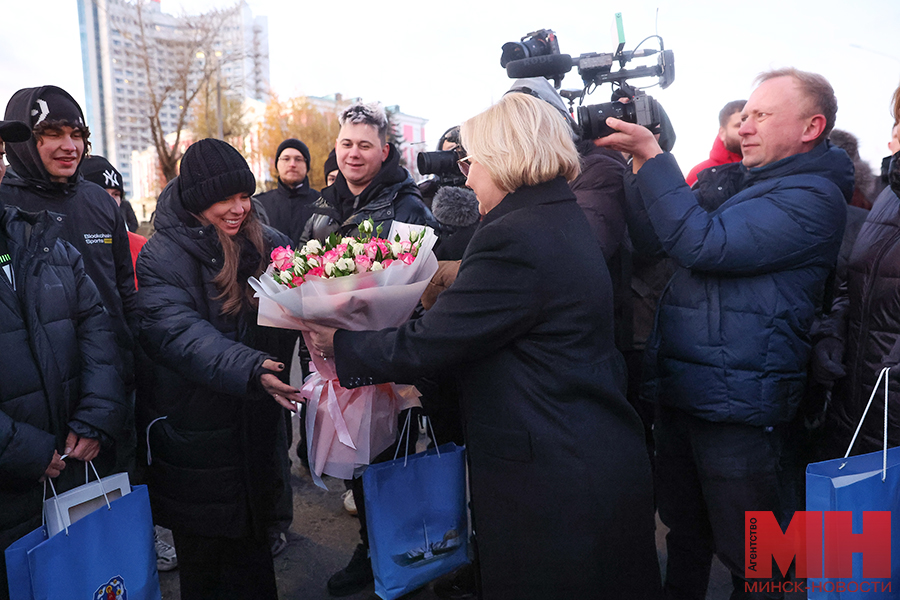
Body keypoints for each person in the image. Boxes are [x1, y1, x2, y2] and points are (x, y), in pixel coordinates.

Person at [303, 92, 661, 600]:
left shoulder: (515, 234)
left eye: (472, 161)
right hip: (585, 451)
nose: (466, 177)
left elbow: (436, 340)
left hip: (553, 475)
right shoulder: (557, 213)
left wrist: (341, 345)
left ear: (506, 157)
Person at [597, 67, 851, 599]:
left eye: (762, 114)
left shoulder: (813, 196)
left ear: (812, 127)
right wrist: (636, 162)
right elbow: (659, 240)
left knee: (764, 563)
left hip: (742, 409)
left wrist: (654, 156)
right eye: (744, 114)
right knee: (687, 537)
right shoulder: (752, 183)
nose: (745, 124)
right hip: (693, 394)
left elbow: (702, 244)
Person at [134, 138, 300, 599]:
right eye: (224, 199)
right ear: (196, 200)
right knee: (207, 567)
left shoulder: (269, 243)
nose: (238, 208)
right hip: (197, 433)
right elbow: (179, 334)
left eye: (244, 196)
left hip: (255, 426)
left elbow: (307, 299)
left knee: (254, 559)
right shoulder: (163, 255)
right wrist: (250, 368)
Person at [0, 119, 127, 600]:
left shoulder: (37, 237)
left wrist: (96, 416)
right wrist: (25, 451)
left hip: (74, 458)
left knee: (88, 579)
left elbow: (98, 324)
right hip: (15, 477)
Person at [812, 83, 900, 457]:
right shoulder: (889, 197)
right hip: (860, 409)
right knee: (853, 517)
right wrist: (835, 331)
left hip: (888, 415)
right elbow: (857, 279)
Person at [299, 101, 437, 244]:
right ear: (336, 146)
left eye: (364, 146)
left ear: (384, 152)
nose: (354, 154)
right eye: (346, 144)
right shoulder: (322, 208)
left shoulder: (410, 211)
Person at [81, 155, 148, 290]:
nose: (110, 201)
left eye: (116, 194)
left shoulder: (140, 244)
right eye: (100, 192)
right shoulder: (65, 245)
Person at [255, 138, 319, 247]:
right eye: (286, 159)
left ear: (306, 165)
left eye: (298, 159)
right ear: (277, 164)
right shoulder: (259, 204)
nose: (292, 164)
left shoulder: (322, 203)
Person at [685, 99, 745, 187]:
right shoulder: (701, 173)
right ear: (722, 132)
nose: (746, 130)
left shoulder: (768, 166)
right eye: (739, 126)